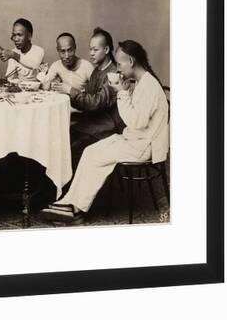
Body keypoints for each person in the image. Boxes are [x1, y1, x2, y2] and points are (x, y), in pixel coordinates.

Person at [42, 40, 169, 223]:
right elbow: (136, 119)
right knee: (90, 151)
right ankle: (70, 202)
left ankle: (76, 208)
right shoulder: (143, 81)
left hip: (143, 146)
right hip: (134, 139)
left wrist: (122, 93)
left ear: (131, 62)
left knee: (95, 157)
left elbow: (136, 122)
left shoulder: (149, 85)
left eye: (120, 63)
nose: (118, 69)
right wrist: (125, 92)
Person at [52, 28, 124, 170]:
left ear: (107, 49)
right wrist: (66, 91)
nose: (91, 53)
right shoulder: (98, 70)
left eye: (95, 50)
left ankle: (71, 187)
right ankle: (61, 184)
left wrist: (70, 90)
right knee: (58, 136)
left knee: (68, 145)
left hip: (107, 126)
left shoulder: (113, 74)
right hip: (94, 121)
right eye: (90, 49)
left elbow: (95, 103)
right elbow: (87, 98)